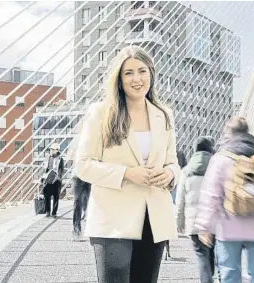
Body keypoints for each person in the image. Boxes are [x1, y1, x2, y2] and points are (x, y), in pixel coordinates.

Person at [75, 45, 180, 283]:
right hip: (113, 220)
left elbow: (173, 161)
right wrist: (127, 173)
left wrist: (170, 174)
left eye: (142, 71)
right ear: (119, 80)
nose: (137, 79)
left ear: (151, 74)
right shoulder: (101, 113)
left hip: (154, 219)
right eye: (129, 73)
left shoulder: (163, 114)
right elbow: (83, 164)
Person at [195, 117, 254, 283]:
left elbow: (211, 195)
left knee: (230, 273)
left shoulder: (220, 159)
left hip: (228, 226)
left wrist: (205, 226)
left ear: (228, 133)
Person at [176, 136, 216, 283]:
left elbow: (180, 200)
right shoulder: (216, 168)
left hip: (194, 222)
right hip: (214, 221)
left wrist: (179, 222)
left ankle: (206, 280)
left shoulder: (187, 171)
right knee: (211, 253)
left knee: (201, 256)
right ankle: (209, 278)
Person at [42, 143, 64, 217]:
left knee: (56, 197)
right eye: (51, 149)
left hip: (56, 180)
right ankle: (48, 211)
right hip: (48, 179)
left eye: (53, 149)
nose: (51, 151)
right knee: (46, 196)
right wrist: (43, 177)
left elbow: (61, 170)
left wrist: (58, 177)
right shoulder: (47, 157)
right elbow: (44, 168)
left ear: (57, 150)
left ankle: (54, 213)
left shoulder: (60, 158)